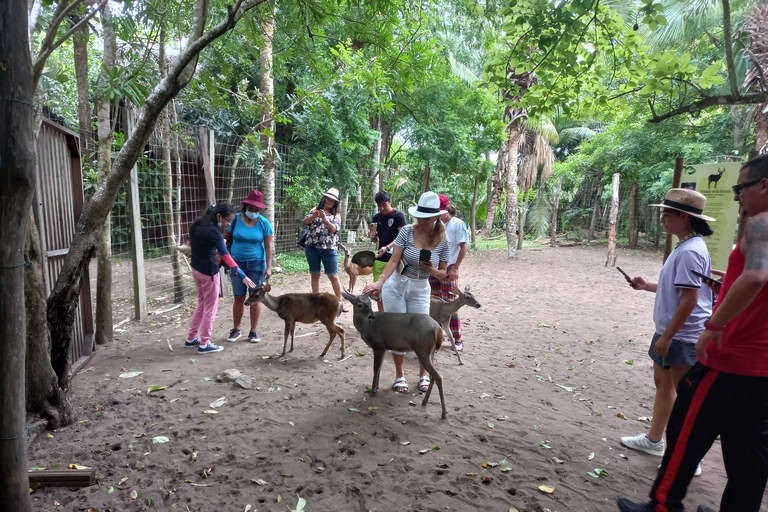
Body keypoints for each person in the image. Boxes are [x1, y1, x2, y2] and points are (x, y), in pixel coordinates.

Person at [617, 154, 768, 512]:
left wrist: (713, 327)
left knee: (687, 427)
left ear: (764, 186)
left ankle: (663, 505)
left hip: (732, 353)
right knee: (749, 449)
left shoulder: (761, 226)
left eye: (741, 188)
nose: (736, 198)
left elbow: (753, 278)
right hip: (758, 360)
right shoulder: (699, 246)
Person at [619, 189, 715, 478]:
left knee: (686, 396)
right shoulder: (685, 246)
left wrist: (669, 336)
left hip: (682, 336)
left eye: (667, 214)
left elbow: (690, 300)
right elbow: (679, 291)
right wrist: (646, 285)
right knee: (664, 386)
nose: (662, 220)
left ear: (684, 218)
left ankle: (687, 457)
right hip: (670, 332)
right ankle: (654, 440)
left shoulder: (690, 251)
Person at [362, 191, 450, 394]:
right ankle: (399, 375)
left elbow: (443, 273)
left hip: (420, 288)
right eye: (419, 215)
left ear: (436, 217)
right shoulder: (407, 231)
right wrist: (380, 282)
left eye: (426, 218)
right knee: (396, 330)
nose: (422, 220)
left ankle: (424, 374)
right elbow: (393, 260)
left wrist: (432, 270)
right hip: (397, 285)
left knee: (422, 331)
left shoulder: (443, 240)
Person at [185, 203, 256, 354]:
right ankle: (204, 343)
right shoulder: (214, 231)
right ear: (219, 216)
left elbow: (206, 245)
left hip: (196, 269)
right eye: (228, 220)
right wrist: (242, 275)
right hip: (208, 272)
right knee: (210, 308)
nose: (229, 224)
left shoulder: (198, 224)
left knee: (202, 304)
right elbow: (226, 256)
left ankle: (191, 338)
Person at [224, 189, 273, 343]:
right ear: (245, 206)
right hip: (237, 264)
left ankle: (253, 331)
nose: (253, 211)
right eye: (251, 208)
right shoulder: (235, 220)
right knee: (238, 297)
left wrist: (268, 267)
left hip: (257, 264)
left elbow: (269, 246)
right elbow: (224, 239)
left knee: (255, 297)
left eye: (256, 209)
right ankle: (236, 329)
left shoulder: (264, 223)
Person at [429, 195, 469, 351]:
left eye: (439, 211)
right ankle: (437, 335)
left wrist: (455, 268)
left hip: (450, 270)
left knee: (451, 303)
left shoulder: (457, 224)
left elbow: (463, 246)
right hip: (433, 269)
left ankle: (457, 338)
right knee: (434, 303)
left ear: (446, 209)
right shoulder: (434, 224)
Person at [303, 187, 345, 304]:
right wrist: (313, 216)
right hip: (312, 247)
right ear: (324, 198)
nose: (329, 202)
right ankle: (316, 301)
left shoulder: (337, 214)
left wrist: (325, 219)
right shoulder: (314, 209)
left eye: (332, 201)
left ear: (335, 203)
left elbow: (334, 230)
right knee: (315, 274)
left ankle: (339, 302)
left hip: (329, 248)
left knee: (333, 276)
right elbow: (304, 222)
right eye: (327, 199)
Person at [368, 190, 407, 311]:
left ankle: (395, 318)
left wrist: (388, 247)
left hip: (396, 259)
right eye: (379, 205)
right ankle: (382, 317)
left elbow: (402, 237)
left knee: (396, 291)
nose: (382, 208)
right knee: (378, 291)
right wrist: (373, 237)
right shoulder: (376, 217)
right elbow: (375, 240)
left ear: (390, 201)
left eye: (384, 204)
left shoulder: (398, 215)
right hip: (380, 259)